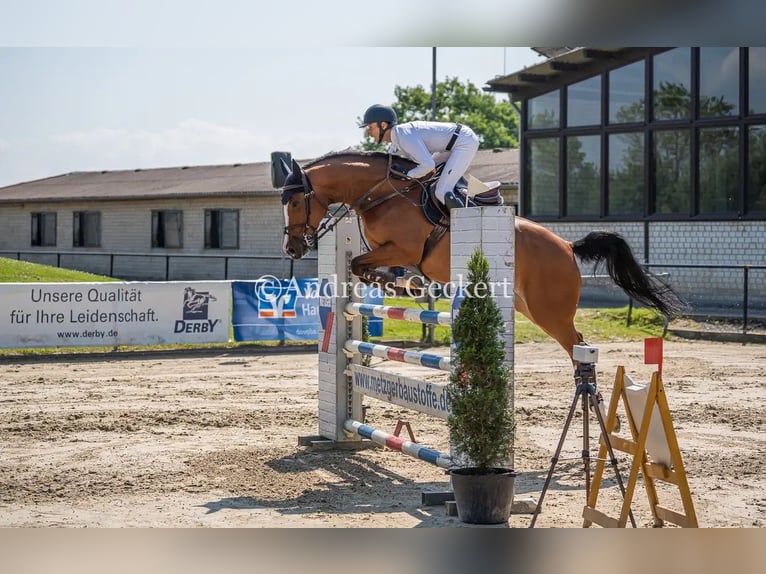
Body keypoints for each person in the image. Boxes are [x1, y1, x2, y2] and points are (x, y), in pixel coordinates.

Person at [359, 104, 480, 209]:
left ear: (383, 125)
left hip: (464, 142)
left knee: (441, 192)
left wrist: (407, 176)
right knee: (427, 177)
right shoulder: (396, 141)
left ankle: (470, 223)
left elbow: (428, 165)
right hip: (452, 144)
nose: (369, 133)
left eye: (370, 127)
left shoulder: (403, 135)